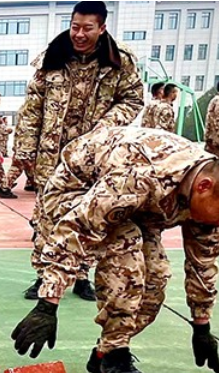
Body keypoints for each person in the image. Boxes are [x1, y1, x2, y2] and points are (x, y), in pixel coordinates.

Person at [11, 127, 219, 373]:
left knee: (155, 279)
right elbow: (78, 228)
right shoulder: (143, 176)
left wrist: (201, 324)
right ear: (204, 186)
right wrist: (48, 304)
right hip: (76, 193)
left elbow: (203, 263)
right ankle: (116, 354)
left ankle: (104, 355)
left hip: (136, 209)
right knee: (127, 255)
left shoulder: (212, 198)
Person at [14, 0, 144, 302]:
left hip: (93, 156)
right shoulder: (53, 57)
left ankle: (82, 275)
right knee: (47, 214)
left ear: (102, 27)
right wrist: (24, 147)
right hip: (52, 153)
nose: (80, 34)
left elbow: (133, 101)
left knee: (89, 214)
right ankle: (45, 276)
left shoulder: (119, 60)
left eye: (87, 28)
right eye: (75, 27)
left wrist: (105, 126)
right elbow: (33, 107)